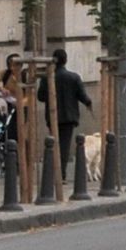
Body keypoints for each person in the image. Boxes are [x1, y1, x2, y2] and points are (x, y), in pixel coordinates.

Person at [36, 49, 94, 179]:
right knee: (64, 146)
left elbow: (40, 97)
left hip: (52, 117)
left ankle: (54, 172)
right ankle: (61, 173)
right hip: (69, 117)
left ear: (53, 60)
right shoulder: (74, 77)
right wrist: (88, 104)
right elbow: (82, 96)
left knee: (54, 144)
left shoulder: (46, 77)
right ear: (66, 60)